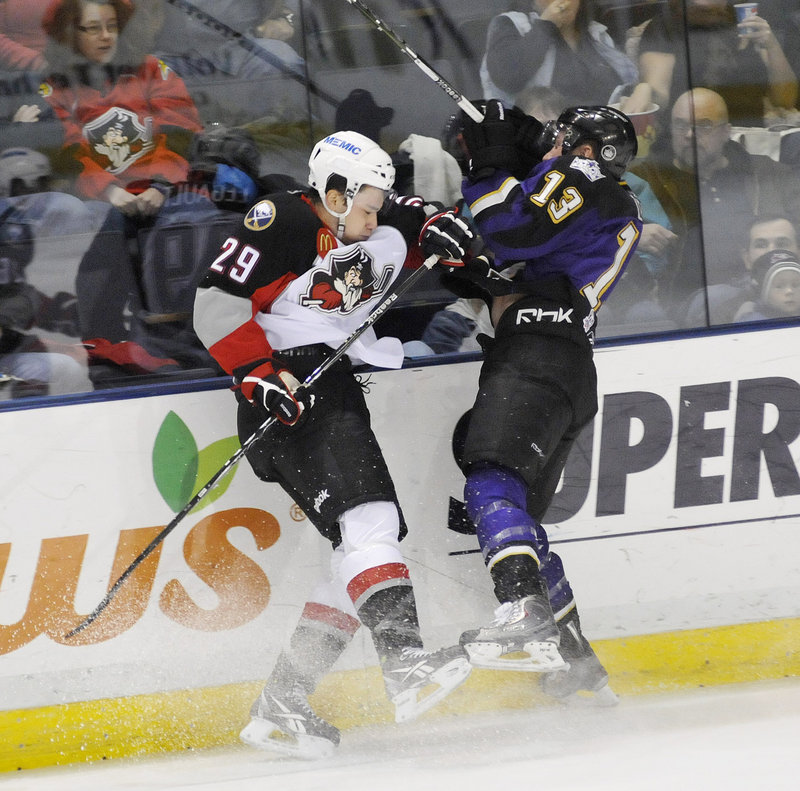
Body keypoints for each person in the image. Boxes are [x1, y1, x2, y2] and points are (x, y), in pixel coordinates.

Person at [193, 130, 476, 758]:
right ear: (335, 192)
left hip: (332, 384)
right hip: (291, 393)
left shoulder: (371, 221)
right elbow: (213, 304)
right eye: (367, 205)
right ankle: (405, 664)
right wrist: (258, 376)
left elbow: (416, 220)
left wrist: (444, 230)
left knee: (356, 548)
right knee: (371, 522)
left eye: (379, 205)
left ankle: (282, 704)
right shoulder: (281, 220)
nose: (376, 217)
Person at [446, 101, 642, 702]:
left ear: (584, 148)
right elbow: (498, 249)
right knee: (519, 521)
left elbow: (511, 225)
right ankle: (576, 662)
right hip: (567, 364)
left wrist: (492, 162)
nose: (550, 145)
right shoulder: (595, 203)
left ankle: (525, 613)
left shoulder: (585, 178)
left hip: (538, 347)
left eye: (560, 138)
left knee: (489, 481)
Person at [39, 0, 235, 367]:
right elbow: (64, 154)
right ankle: (105, 342)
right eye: (92, 28)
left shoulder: (152, 71)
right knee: (98, 223)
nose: (106, 36)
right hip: (100, 199)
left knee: (198, 211)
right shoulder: (55, 88)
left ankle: (192, 336)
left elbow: (180, 133)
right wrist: (108, 190)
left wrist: (159, 185)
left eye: (112, 25)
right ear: (70, 33)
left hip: (160, 190)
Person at [630, 87, 800, 318]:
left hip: (773, 289)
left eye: (703, 126)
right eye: (681, 126)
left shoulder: (765, 172)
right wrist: (631, 233)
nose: (689, 134)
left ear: (726, 132)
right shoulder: (646, 179)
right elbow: (588, 229)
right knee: (730, 304)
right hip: (691, 299)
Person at [621, 0, 798, 128]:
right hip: (692, 139)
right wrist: (644, 89)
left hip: (748, 138)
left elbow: (785, 99)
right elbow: (658, 91)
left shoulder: (745, 21)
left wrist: (771, 44)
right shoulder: (667, 25)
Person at [480, 0, 638, 109]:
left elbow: (623, 89)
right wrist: (546, 24)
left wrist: (641, 90)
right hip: (542, 145)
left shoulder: (597, 36)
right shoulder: (511, 25)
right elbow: (507, 78)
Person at [684, 213, 800, 325]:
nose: (771, 251)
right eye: (761, 245)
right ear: (746, 258)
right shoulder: (720, 305)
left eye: (782, 243)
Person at [734, 247, 800, 322]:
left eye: (795, 285)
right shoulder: (753, 323)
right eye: (779, 286)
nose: (789, 291)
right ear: (763, 293)